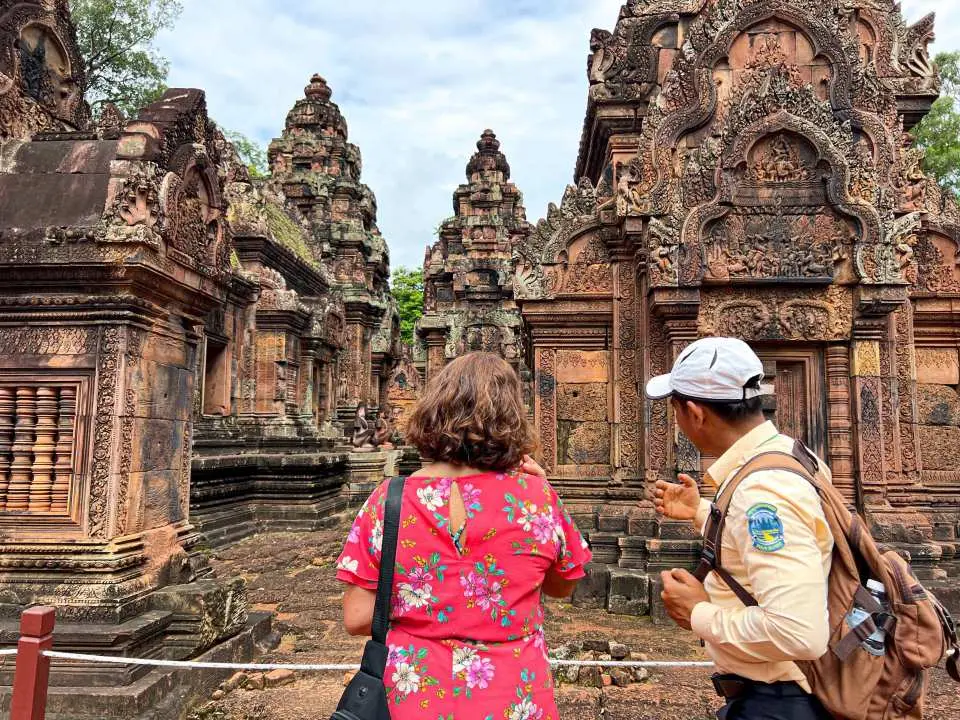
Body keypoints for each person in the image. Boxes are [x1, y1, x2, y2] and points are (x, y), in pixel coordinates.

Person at [337, 352, 591, 720]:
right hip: (514, 695)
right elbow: (563, 584)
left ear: (434, 409)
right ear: (512, 415)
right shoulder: (537, 497)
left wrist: (431, 607)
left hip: (414, 694)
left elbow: (357, 617)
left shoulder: (389, 499)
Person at [647, 337, 834, 720]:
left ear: (695, 413)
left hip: (781, 701)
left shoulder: (764, 491)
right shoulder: (788, 455)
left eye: (676, 409)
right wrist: (702, 511)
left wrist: (698, 612)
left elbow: (799, 632)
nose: (679, 420)